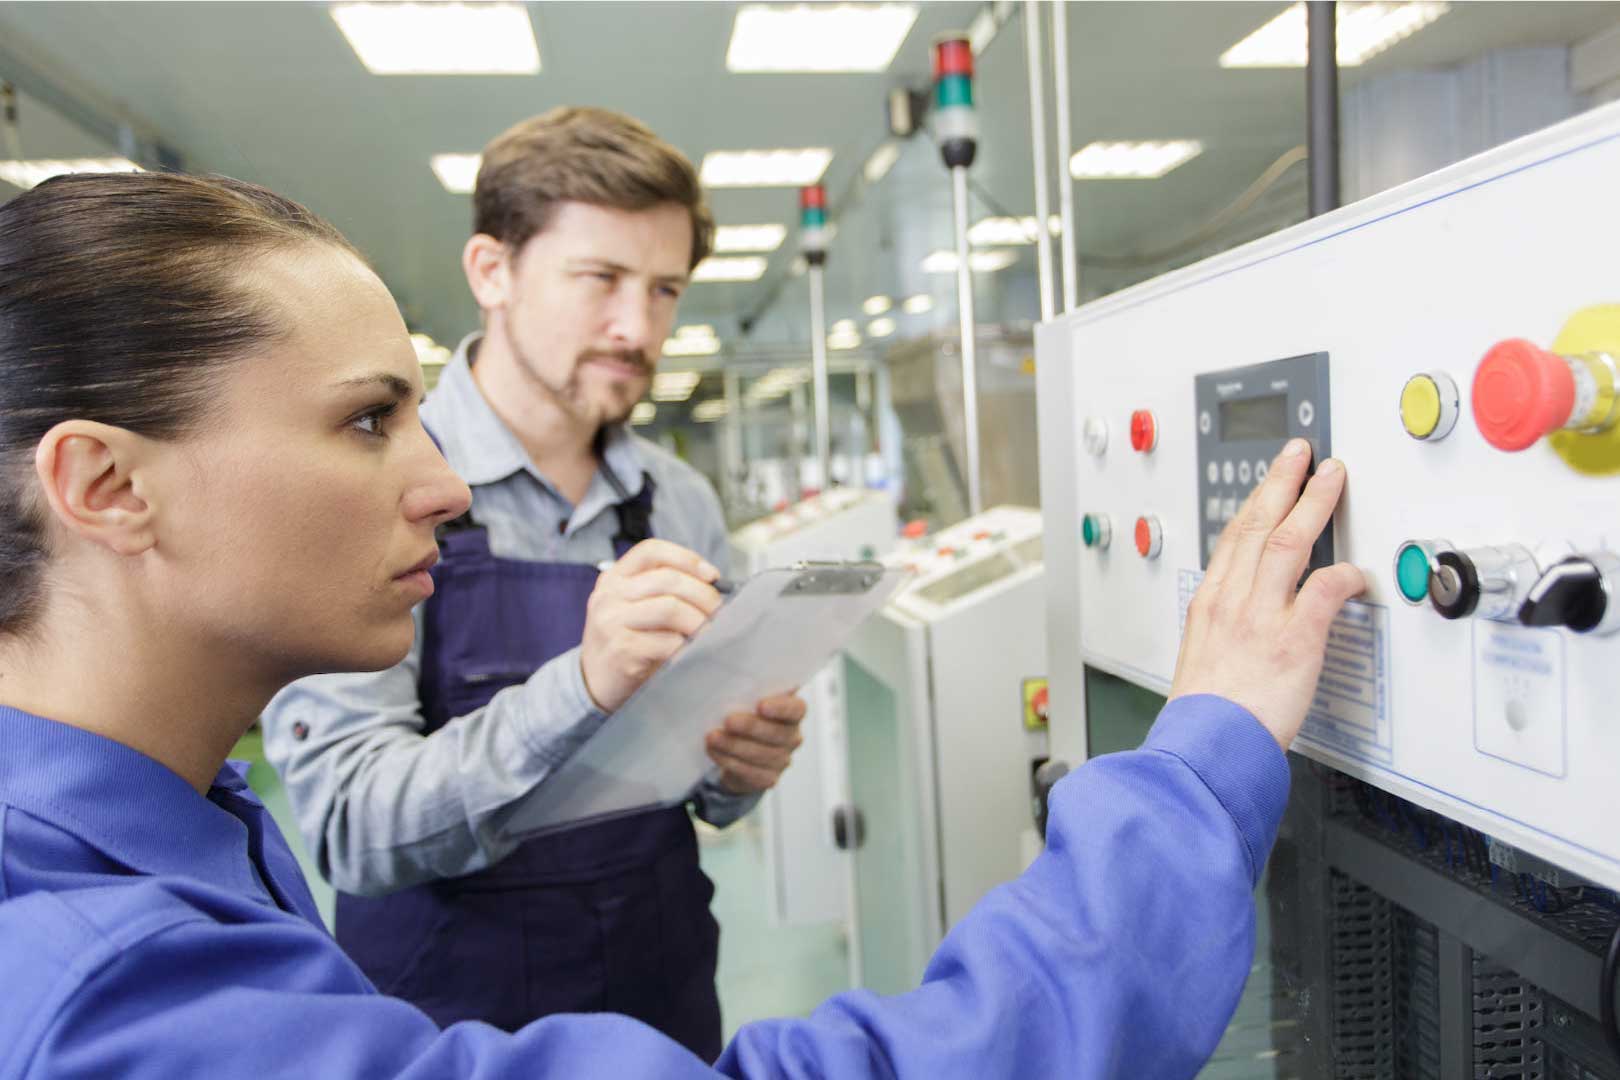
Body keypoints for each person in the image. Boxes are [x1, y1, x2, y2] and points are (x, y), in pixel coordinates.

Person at [0, 171, 1365, 1079]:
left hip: (653, 974)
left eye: (663, 289)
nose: (434, 486)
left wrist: (722, 757)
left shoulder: (188, 827)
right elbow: (359, 820)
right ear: (106, 485)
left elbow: (694, 772)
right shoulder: (100, 985)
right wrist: (1201, 760)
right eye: (366, 421)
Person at [258, 107, 806, 1052]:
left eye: (665, 289)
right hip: (452, 1034)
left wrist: (737, 770)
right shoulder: (373, 486)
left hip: (662, 1014)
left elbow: (711, 794)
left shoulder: (680, 503)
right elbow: (351, 825)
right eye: (600, 279)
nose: (638, 327)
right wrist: (582, 689)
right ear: (492, 271)